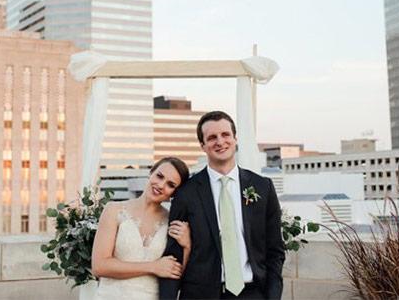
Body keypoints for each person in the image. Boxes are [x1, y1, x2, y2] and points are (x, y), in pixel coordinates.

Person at [159, 111, 285, 300]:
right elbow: (173, 258)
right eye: (211, 137)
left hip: (253, 293)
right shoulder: (186, 193)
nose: (220, 141)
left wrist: (272, 296)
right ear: (203, 145)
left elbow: (275, 250)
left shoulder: (262, 187)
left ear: (235, 138)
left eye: (225, 135)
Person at [92, 157, 192, 300]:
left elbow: (177, 275)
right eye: (159, 176)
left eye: (170, 184)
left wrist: (187, 245)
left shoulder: (172, 223)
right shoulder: (113, 210)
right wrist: (153, 267)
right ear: (151, 172)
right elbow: (99, 266)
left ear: (175, 193)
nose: (161, 185)